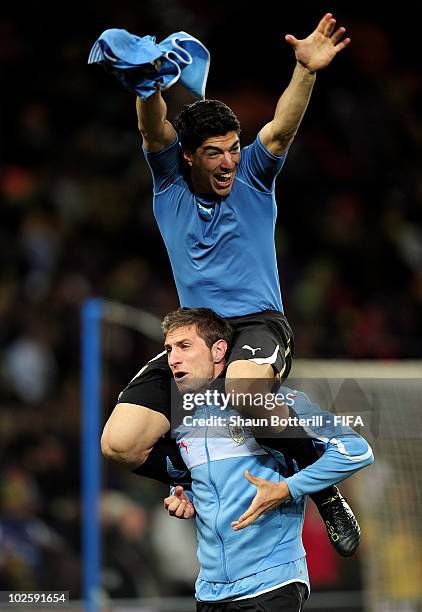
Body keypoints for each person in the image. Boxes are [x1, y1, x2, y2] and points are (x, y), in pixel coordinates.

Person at [101, 12, 358, 555]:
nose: (228, 162)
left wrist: (306, 71)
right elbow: (154, 128)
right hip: (199, 334)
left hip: (259, 325)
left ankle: (324, 485)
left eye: (233, 147)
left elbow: (281, 128)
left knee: (244, 391)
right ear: (189, 155)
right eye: (214, 151)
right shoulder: (168, 182)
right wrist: (148, 87)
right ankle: (191, 478)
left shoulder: (255, 177)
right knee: (119, 444)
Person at [160, 307, 374, 610]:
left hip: (272, 583)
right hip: (209, 591)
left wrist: (288, 488)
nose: (172, 359)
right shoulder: (183, 420)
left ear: (219, 350)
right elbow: (202, 483)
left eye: (184, 346)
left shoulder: (272, 404)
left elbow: (357, 449)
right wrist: (182, 495)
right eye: (168, 349)